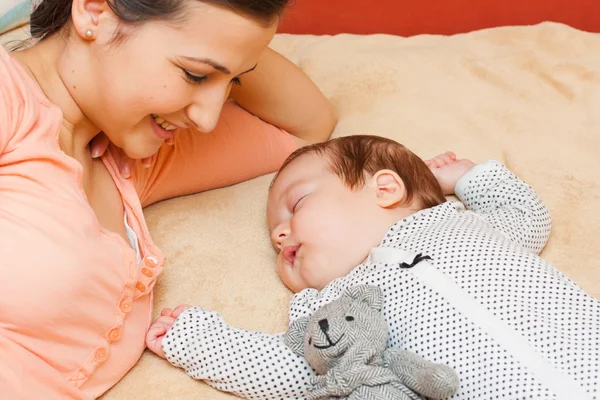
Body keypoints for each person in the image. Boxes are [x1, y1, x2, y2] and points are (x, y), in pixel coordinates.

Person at [0, 0, 337, 398]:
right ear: (93, 12)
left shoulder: (131, 161)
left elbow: (308, 126)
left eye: (233, 83)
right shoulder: (9, 97)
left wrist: (231, 47)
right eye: (195, 75)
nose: (208, 118)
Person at [147, 135, 599, 400]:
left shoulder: (463, 225)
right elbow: (288, 370)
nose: (279, 235)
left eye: (296, 205)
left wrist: (467, 176)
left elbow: (525, 216)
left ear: (385, 189)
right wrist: (200, 341)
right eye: (274, 236)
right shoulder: (340, 312)